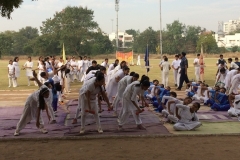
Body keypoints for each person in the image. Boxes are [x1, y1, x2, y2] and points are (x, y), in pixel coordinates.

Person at [14, 71, 51, 136]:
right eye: (46, 95)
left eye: (48, 94)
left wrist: (35, 76)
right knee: (24, 115)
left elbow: (39, 83)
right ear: (43, 94)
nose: (48, 95)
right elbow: (39, 110)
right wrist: (36, 122)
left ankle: (42, 127)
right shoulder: (38, 97)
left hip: (36, 101)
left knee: (40, 116)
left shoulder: (45, 89)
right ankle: (17, 130)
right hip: (30, 101)